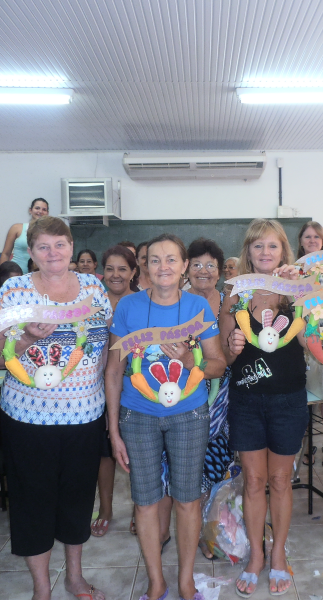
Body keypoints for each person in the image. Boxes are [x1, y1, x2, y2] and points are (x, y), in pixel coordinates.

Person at [0, 216, 112, 600]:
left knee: (78, 498)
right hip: (28, 418)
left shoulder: (93, 287)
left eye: (59, 244)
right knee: (32, 501)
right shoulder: (14, 290)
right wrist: (24, 338)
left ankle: (74, 576)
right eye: (43, 246)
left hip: (85, 415)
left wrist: (102, 395)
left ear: (71, 247)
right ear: (32, 252)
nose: (52, 253)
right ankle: (42, 587)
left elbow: (105, 344)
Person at [106, 234, 225, 600]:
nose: (163, 267)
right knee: (145, 501)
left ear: (184, 266)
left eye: (171, 259)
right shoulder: (128, 307)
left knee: (187, 499)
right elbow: (114, 370)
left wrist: (192, 362)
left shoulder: (198, 308)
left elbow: (218, 364)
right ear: (144, 266)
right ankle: (156, 581)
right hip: (137, 416)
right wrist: (113, 430)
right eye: (155, 259)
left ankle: (186, 580)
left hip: (188, 415)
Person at [221, 219, 309, 597]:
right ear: (248, 252)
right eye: (258, 246)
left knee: (280, 481)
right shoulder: (235, 291)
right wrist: (232, 345)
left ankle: (278, 554)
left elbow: (310, 343)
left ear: (283, 251)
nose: (265, 252)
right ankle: (256, 555)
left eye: (272, 246)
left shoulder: (297, 290)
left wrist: (303, 291)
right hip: (246, 401)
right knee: (254, 482)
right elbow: (225, 355)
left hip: (289, 400)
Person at [168, 238, 232, 560]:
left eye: (211, 265)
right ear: (186, 269)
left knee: (213, 461)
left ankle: (208, 532)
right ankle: (183, 530)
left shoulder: (228, 303)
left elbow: (227, 355)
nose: (203, 271)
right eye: (197, 264)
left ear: (220, 272)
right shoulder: (174, 300)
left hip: (220, 394)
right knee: (180, 465)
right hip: (179, 390)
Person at [90, 245, 138, 539]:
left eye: (123, 269)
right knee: (104, 454)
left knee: (138, 454)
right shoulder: (92, 304)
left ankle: (138, 511)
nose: (116, 275)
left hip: (135, 387)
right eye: (110, 269)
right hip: (96, 389)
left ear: (133, 272)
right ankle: (105, 509)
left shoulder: (142, 303)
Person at [296, 221, 323, 468]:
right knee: (303, 393)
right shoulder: (293, 270)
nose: (312, 240)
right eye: (308, 236)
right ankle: (307, 443)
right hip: (301, 336)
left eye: (316, 237)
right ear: (301, 241)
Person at [0, 198, 49, 272]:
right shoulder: (17, 228)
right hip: (15, 274)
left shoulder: (50, 233)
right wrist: (3, 274)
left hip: (39, 275)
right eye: (37, 208)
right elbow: (5, 254)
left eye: (44, 209)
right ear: (30, 210)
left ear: (47, 213)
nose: (40, 211)